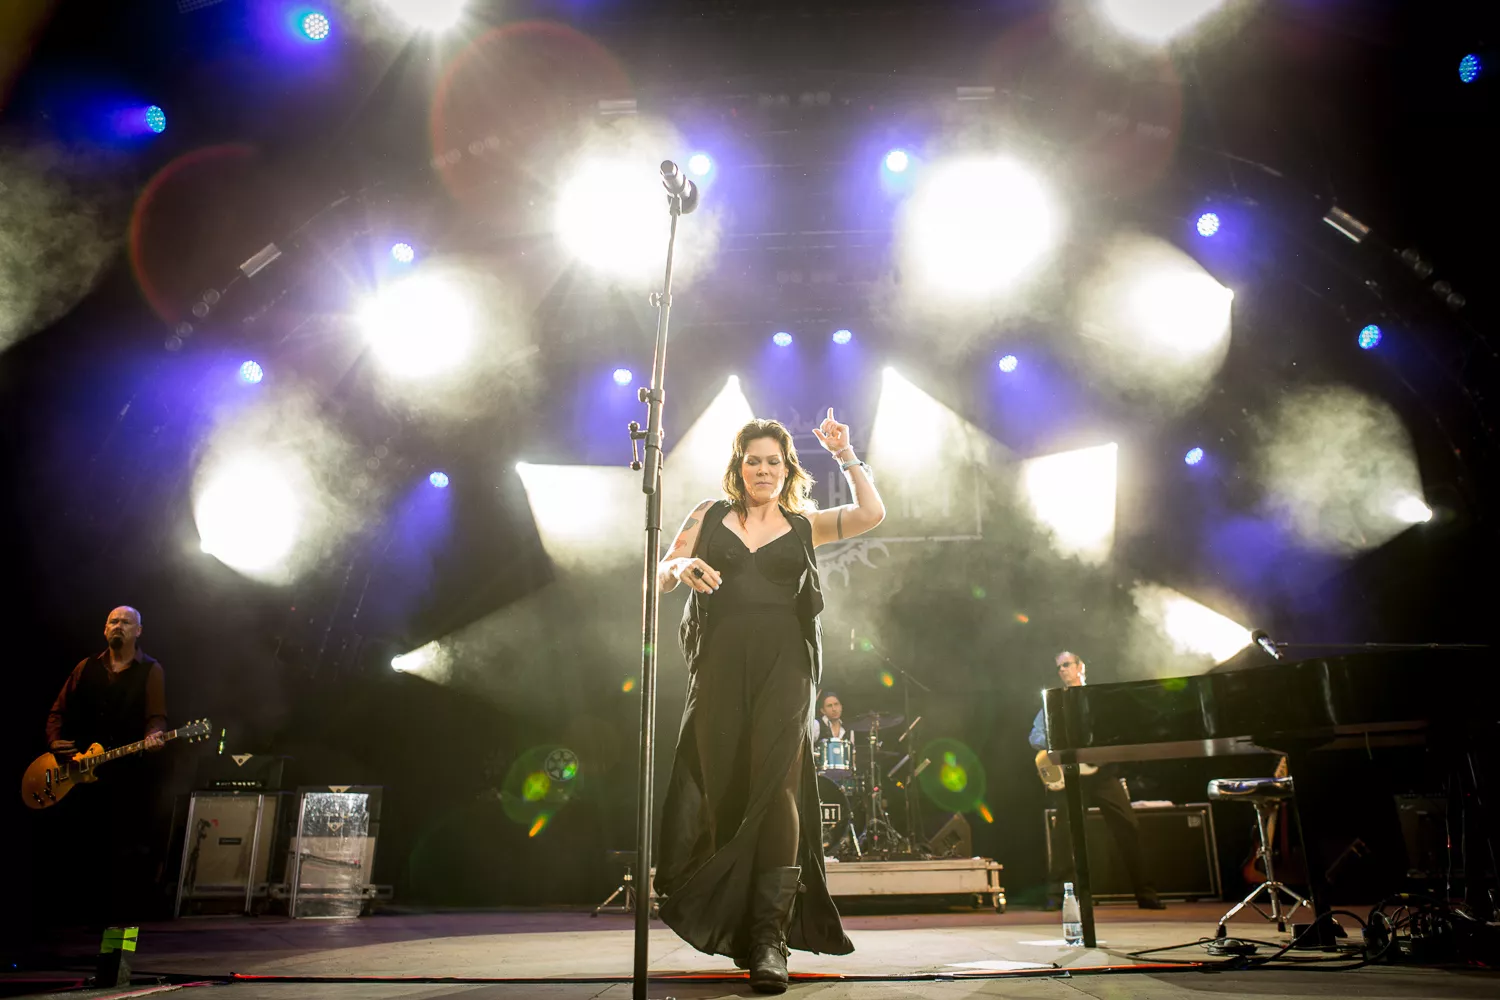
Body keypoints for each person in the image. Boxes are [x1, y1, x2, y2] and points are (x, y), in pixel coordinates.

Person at [656, 409, 885, 993]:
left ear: (787, 469)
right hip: (720, 666)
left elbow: (871, 514)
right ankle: (737, 919)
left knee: (779, 784)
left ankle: (769, 938)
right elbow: (658, 574)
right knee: (727, 788)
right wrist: (681, 565)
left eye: (773, 462)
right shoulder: (709, 515)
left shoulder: (804, 524)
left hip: (786, 665)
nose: (763, 469)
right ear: (740, 466)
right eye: (753, 460)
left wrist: (845, 455)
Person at [45, 606, 169, 922]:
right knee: (81, 850)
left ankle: (117, 932)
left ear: (138, 631)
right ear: (105, 629)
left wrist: (154, 735)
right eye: (113, 621)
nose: (118, 626)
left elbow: (156, 716)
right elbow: (57, 711)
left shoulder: (151, 669)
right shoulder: (86, 667)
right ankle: (77, 922)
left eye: (126, 622)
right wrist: (54, 741)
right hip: (78, 772)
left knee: (123, 856)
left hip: (124, 776)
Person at [1029, 651, 1164, 910]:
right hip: (1072, 776)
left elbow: (1118, 731)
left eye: (1066, 665)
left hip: (1103, 774)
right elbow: (1035, 736)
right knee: (1064, 834)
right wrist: (1057, 740)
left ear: (1081, 666)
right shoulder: (1054, 701)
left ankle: (1146, 893)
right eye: (1058, 667)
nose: (1062, 670)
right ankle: (1058, 895)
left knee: (1128, 826)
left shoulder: (1101, 700)